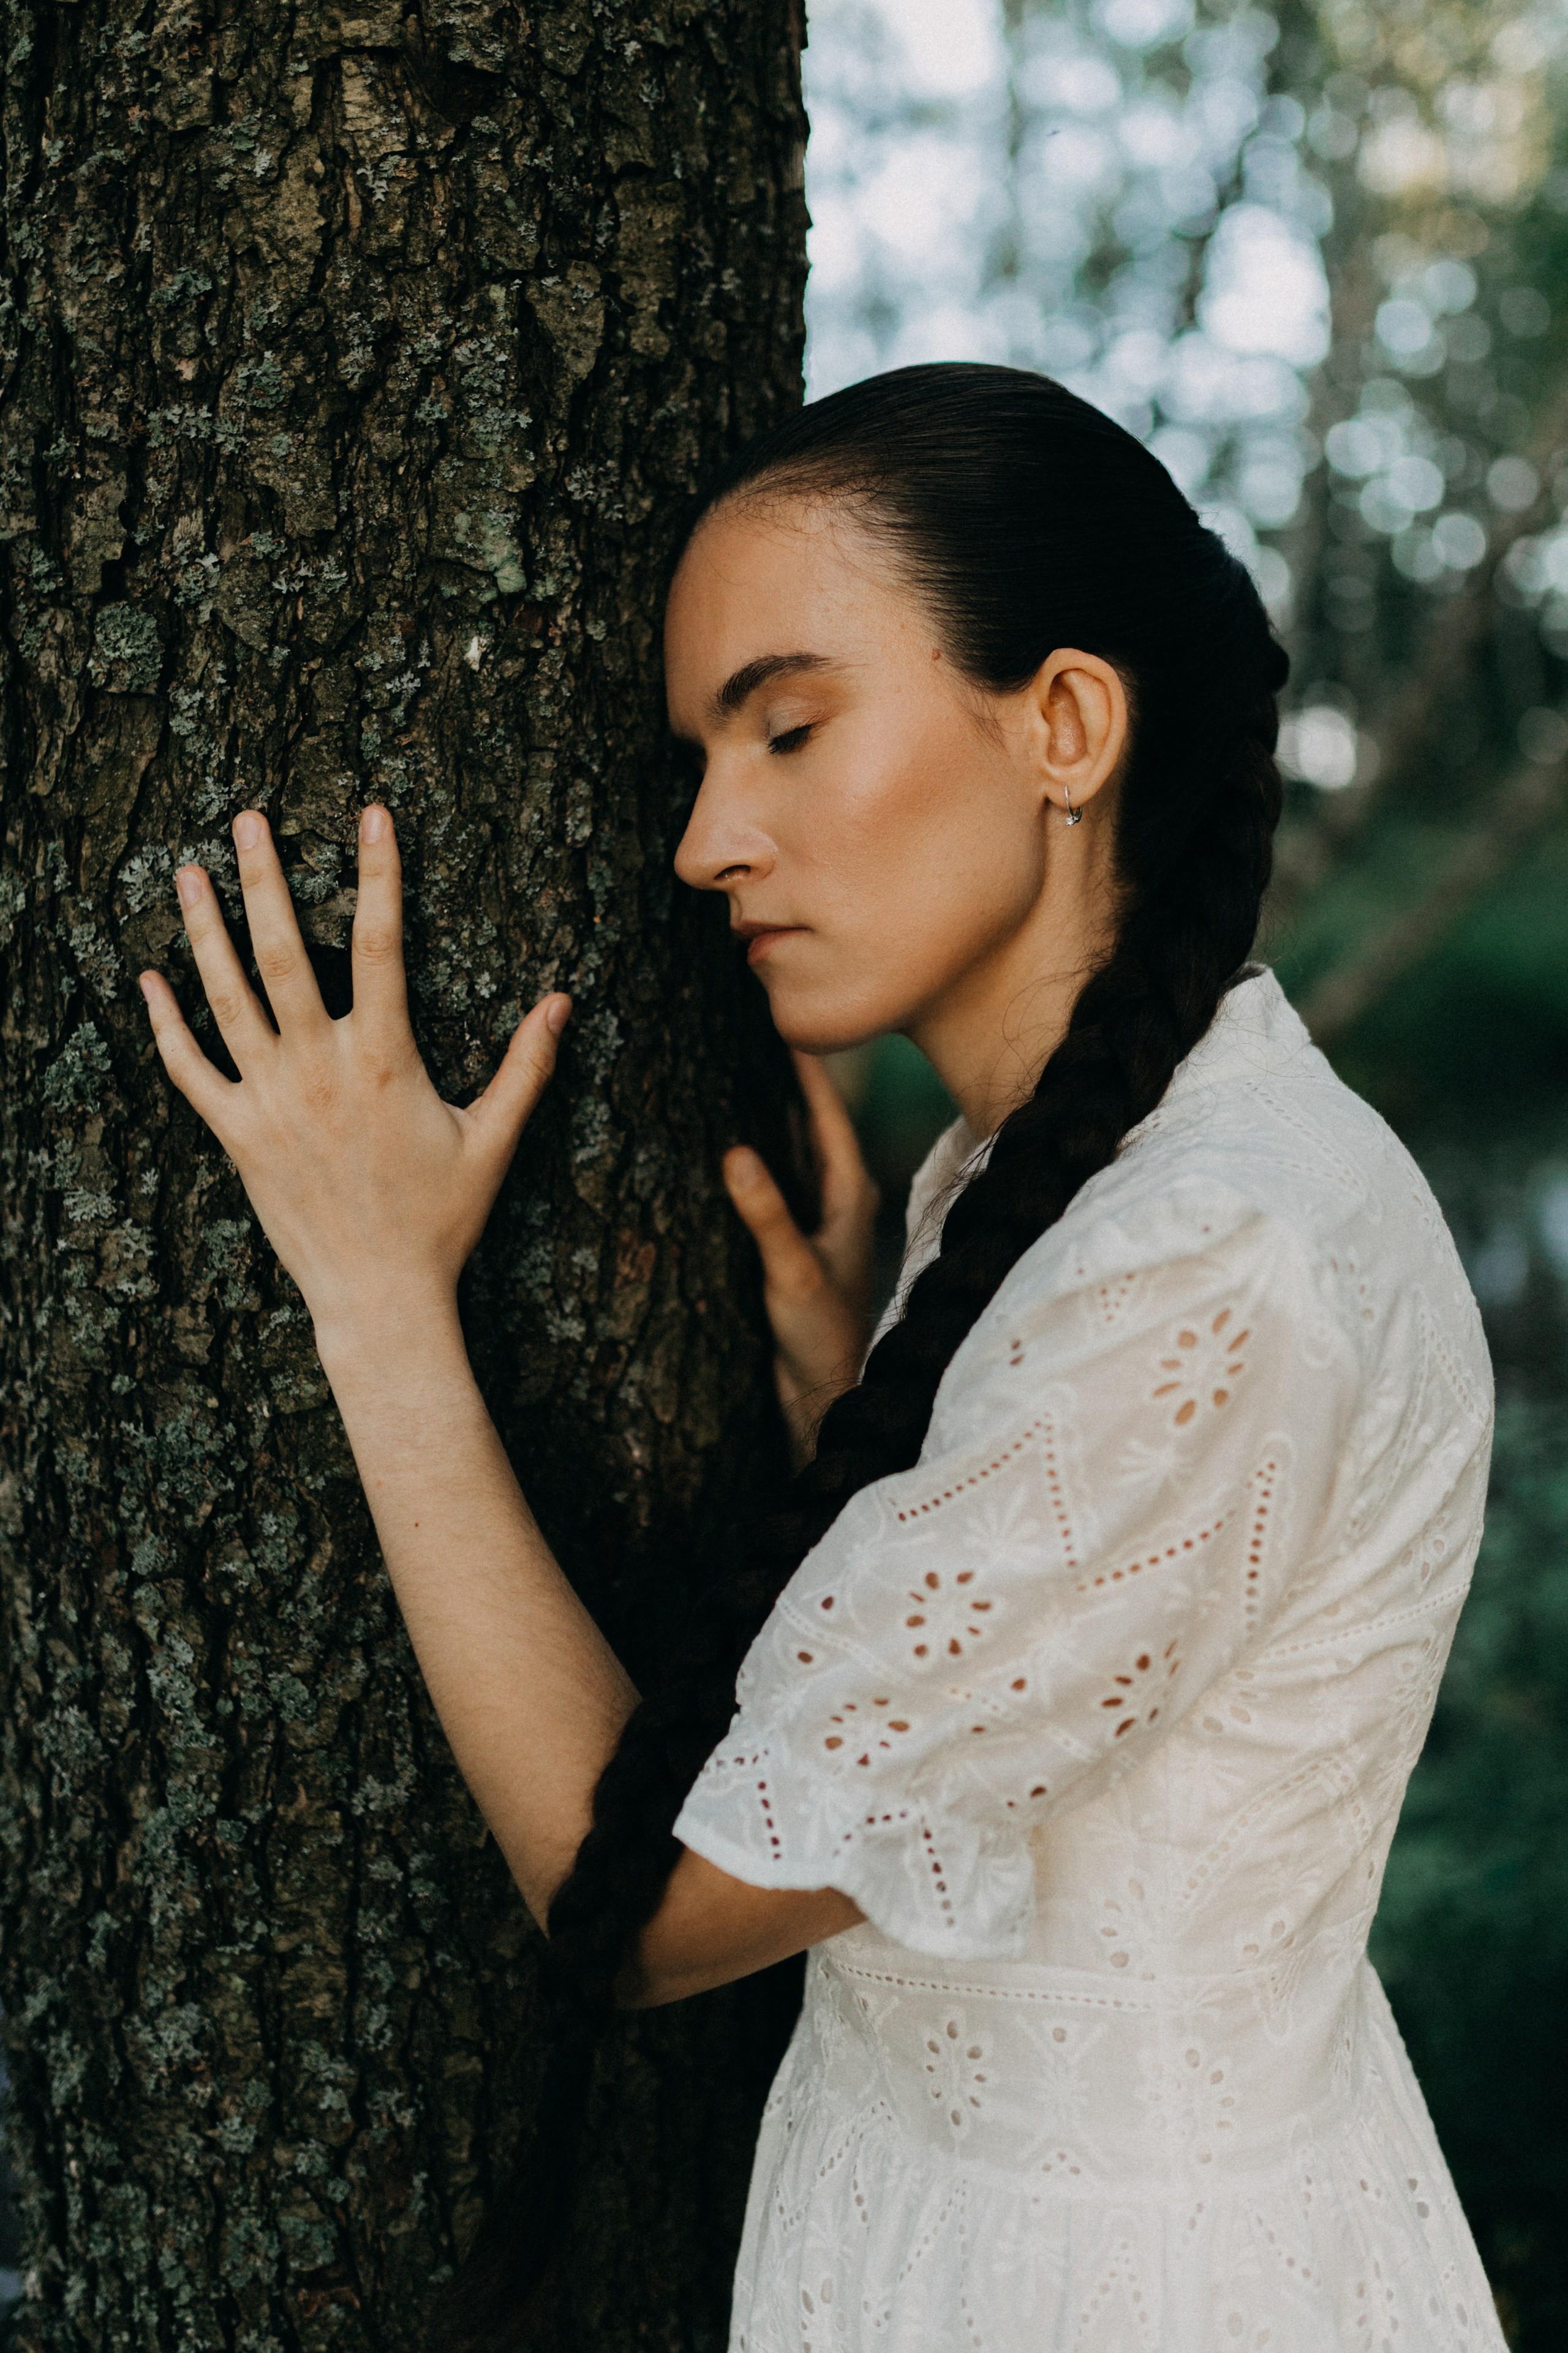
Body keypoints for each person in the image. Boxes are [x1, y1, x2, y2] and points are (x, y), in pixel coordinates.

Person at [138, 365, 1504, 2352]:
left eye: (789, 727)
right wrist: (888, 1416)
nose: (705, 844)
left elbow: (656, 1913)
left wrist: (377, 1294)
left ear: (1063, 724)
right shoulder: (1088, 1180)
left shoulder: (1210, 1260)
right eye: (700, 755)